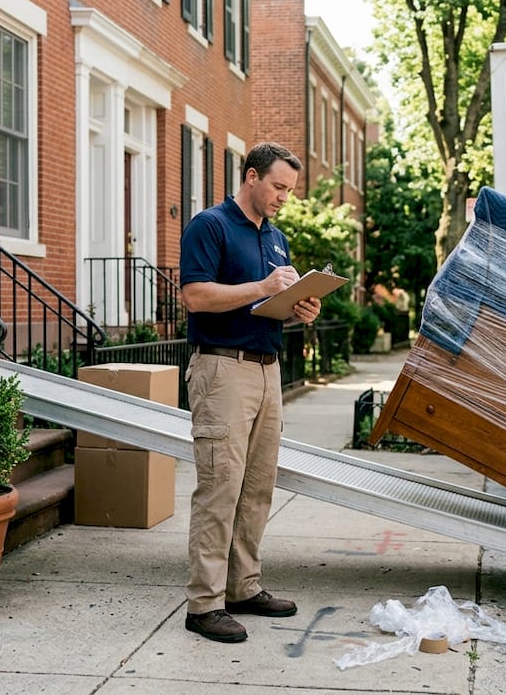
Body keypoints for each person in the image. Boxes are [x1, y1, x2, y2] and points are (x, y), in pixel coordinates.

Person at [178, 141, 321, 643]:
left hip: (267, 370)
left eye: (290, 190)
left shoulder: (276, 237)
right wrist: (263, 288)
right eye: (279, 186)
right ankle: (203, 605)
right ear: (252, 175)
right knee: (219, 488)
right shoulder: (210, 226)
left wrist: (299, 306)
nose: (285, 197)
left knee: (257, 488)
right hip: (222, 370)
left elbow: (273, 299)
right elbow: (195, 296)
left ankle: (243, 587)